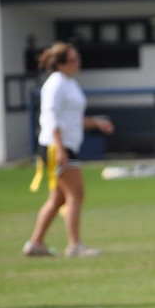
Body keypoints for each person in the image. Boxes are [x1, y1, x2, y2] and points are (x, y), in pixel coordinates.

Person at [24, 42, 114, 258]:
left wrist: (96, 123)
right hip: (58, 147)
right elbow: (51, 116)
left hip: (65, 145)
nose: (78, 62)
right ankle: (74, 245)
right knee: (76, 194)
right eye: (73, 59)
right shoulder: (56, 83)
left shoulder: (68, 82)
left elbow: (71, 118)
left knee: (58, 199)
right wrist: (60, 147)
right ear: (61, 64)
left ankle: (36, 243)